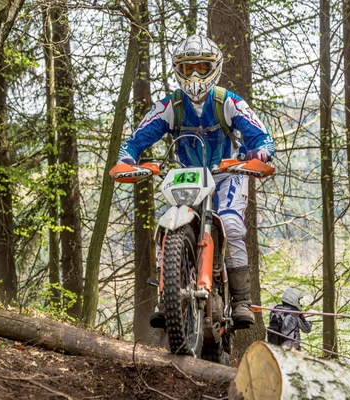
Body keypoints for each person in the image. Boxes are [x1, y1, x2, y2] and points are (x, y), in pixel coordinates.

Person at [118, 34, 275, 328]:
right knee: (168, 225)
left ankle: (241, 300)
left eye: (201, 68)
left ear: (214, 68)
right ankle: (167, 299)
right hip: (187, 175)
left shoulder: (228, 102)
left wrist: (261, 153)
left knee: (230, 224)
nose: (194, 75)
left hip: (228, 173)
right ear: (178, 70)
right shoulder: (170, 106)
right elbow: (135, 140)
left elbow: (262, 136)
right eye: (187, 68)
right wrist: (126, 159)